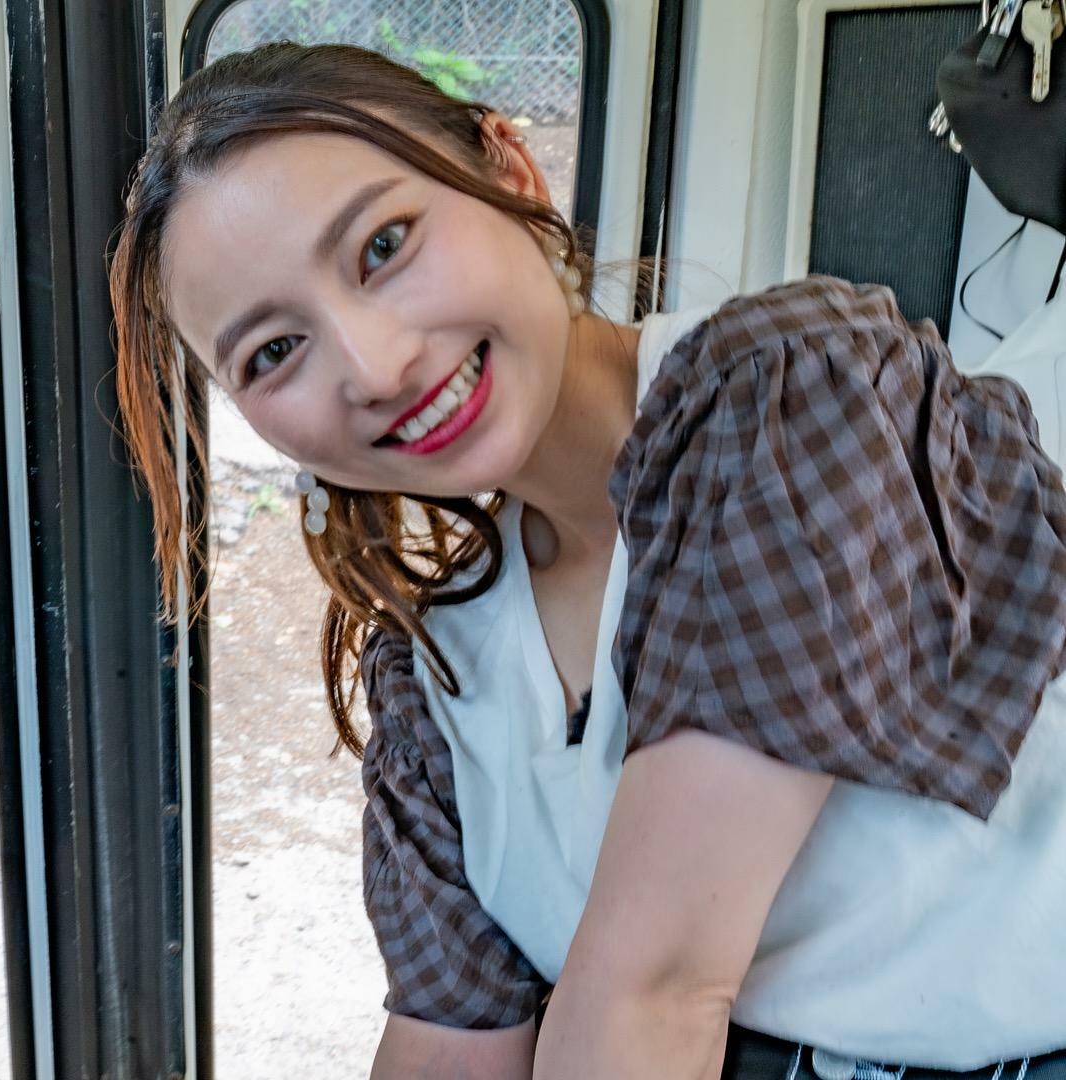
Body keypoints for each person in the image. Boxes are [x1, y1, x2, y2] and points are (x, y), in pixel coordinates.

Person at [109, 42, 1066, 1080]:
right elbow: (446, 1047)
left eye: (382, 245)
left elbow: (650, 996)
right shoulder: (437, 681)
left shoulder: (793, 410)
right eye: (273, 353)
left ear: (506, 172)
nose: (375, 366)